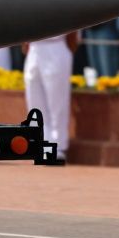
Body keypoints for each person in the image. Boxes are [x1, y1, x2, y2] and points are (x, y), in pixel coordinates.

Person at [24, 32, 79, 161]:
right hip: (34, 48)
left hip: (56, 46)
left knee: (57, 102)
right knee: (34, 101)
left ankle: (57, 146)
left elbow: (73, 30)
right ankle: (41, 143)